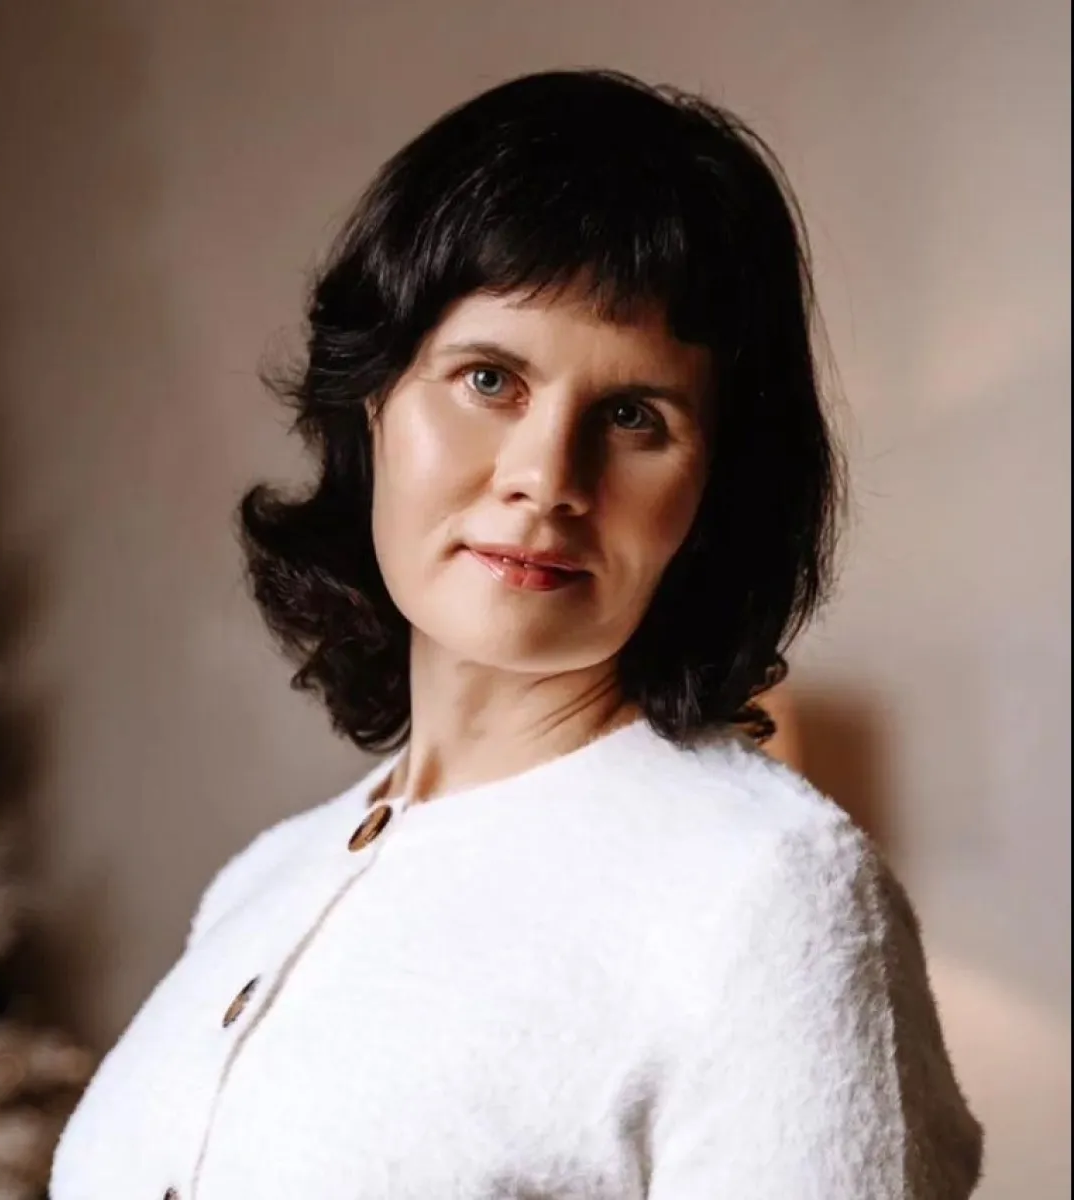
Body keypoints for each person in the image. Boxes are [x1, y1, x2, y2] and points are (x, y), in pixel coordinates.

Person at [50, 68, 985, 1198]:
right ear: (374, 401)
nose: (547, 477)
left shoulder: (769, 896)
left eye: (634, 416)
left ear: (713, 489)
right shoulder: (263, 878)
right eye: (489, 379)